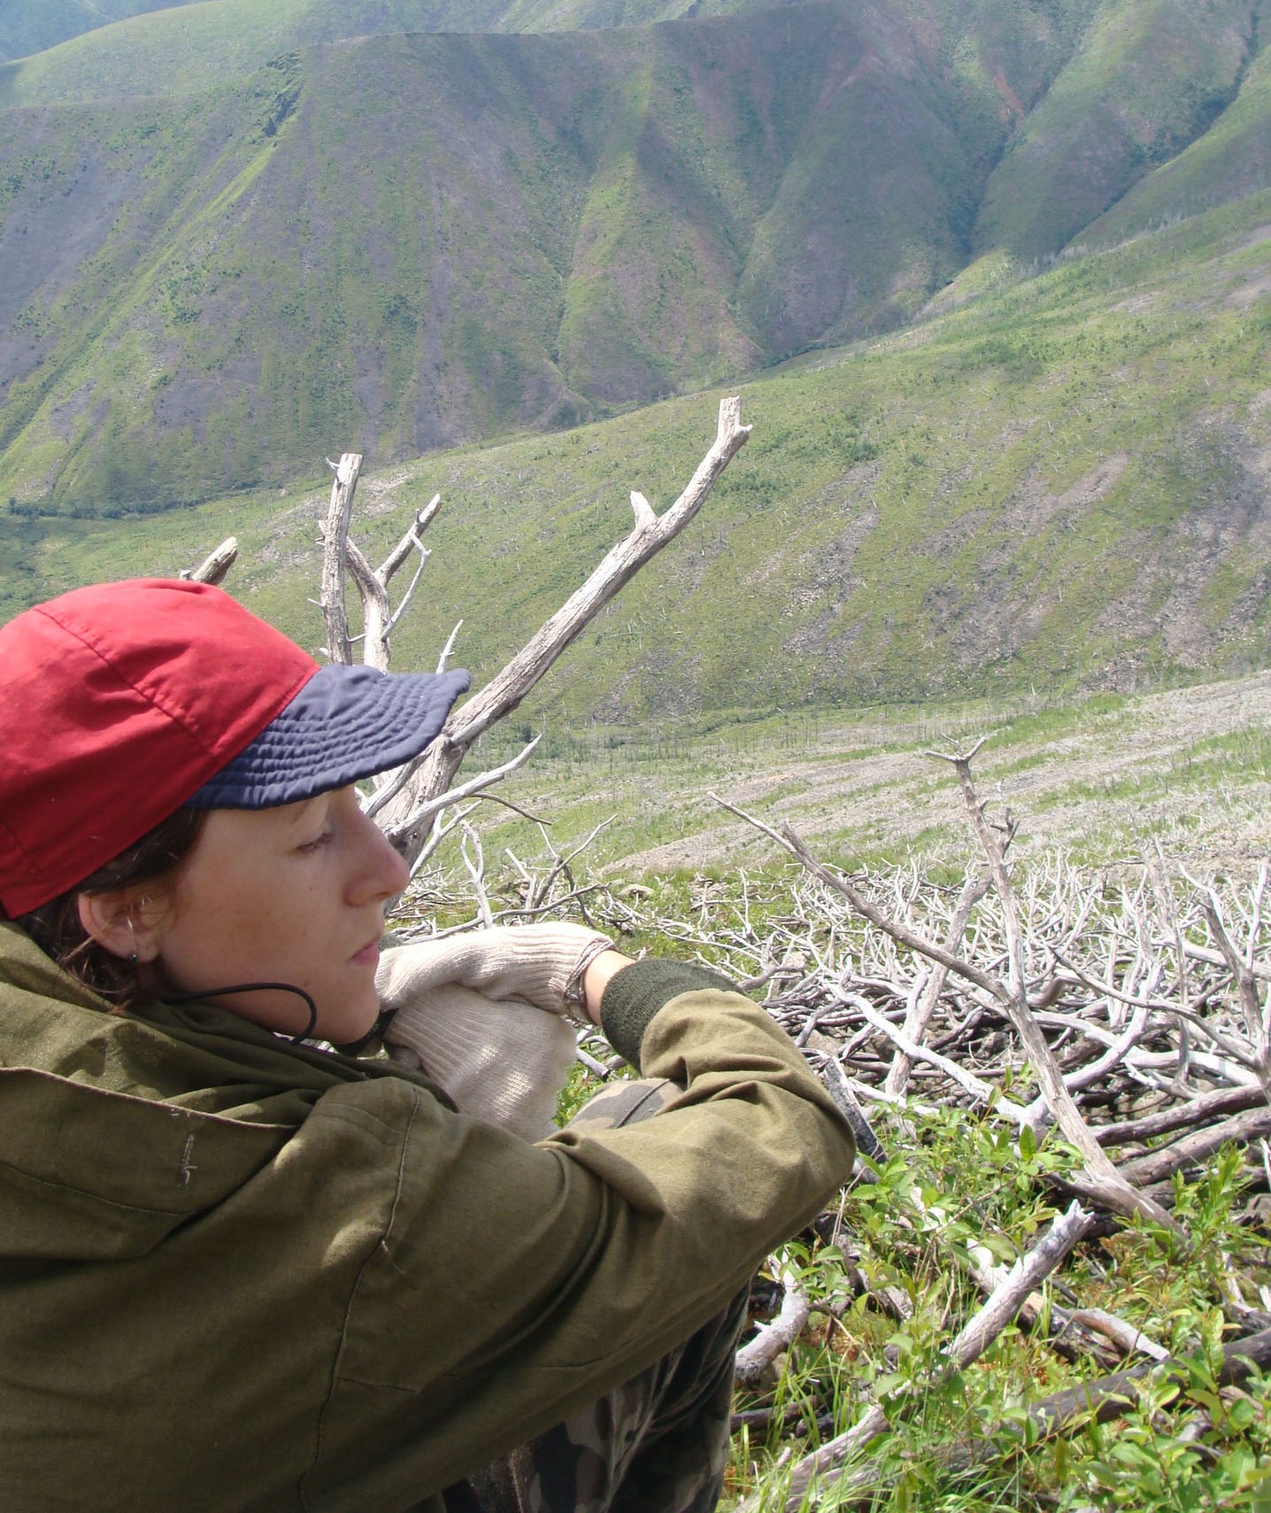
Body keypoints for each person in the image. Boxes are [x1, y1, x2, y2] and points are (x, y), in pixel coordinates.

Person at [0, 577, 855, 1513]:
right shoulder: (341, 1197)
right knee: (653, 1137)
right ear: (126, 911)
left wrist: (346, 1030)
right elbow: (779, 1125)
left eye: (356, 806)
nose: (387, 868)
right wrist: (594, 976)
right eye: (311, 836)